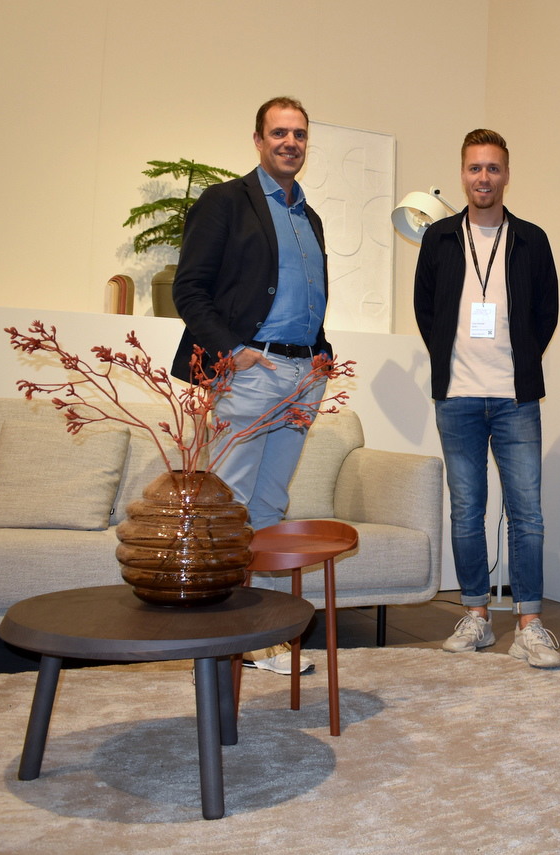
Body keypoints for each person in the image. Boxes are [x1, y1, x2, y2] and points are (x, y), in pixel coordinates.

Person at [172, 96, 332, 676]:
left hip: (302, 375)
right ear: (259, 140)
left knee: (269, 506)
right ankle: (220, 636)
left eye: (299, 134)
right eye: (279, 133)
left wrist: (323, 355)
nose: (290, 142)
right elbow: (189, 289)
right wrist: (231, 352)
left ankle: (258, 637)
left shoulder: (309, 216)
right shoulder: (225, 202)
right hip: (250, 372)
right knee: (228, 506)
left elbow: (308, 296)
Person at [414, 129, 560, 668]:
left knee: (527, 512)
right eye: (475, 168)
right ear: (463, 174)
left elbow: (546, 312)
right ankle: (476, 614)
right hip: (456, 396)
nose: (484, 177)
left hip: (514, 397)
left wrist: (520, 359)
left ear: (506, 175)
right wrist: (448, 358)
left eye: (493, 168)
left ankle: (530, 623)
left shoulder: (531, 239)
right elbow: (425, 309)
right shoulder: (438, 238)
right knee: (466, 510)